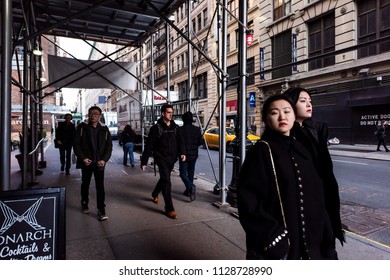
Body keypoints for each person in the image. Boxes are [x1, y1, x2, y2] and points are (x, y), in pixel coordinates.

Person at [238, 94, 339, 260]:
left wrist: (328, 241)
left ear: (294, 116)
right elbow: (249, 201)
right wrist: (275, 240)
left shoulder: (303, 150)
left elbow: (319, 198)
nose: (282, 117)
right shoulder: (261, 151)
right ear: (265, 119)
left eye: (287, 111)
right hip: (282, 250)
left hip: (314, 247)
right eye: (274, 113)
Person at [283, 87, 345, 247]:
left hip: (322, 202)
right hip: (298, 206)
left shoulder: (316, 131)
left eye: (310, 101)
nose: (309, 104)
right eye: (303, 101)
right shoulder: (284, 135)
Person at [141, 104, 186, 219]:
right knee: (167, 182)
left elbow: (181, 142)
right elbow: (149, 145)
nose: (171, 114)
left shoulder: (175, 127)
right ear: (163, 113)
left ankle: (155, 193)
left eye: (171, 112)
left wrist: (183, 153)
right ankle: (169, 208)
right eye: (168, 112)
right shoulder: (156, 128)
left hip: (172, 159)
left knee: (164, 179)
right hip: (161, 159)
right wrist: (144, 161)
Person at [73, 106, 113, 221]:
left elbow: (109, 147)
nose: (93, 115)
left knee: (100, 186)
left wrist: (104, 160)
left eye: (95, 114)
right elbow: (76, 145)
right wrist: (83, 158)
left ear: (99, 116)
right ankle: (84, 202)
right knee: (85, 184)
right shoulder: (81, 128)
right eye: (91, 113)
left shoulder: (104, 129)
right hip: (87, 163)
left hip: (99, 163)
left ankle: (101, 210)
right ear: (88, 115)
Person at [178, 111, 202, 201]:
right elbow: (200, 143)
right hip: (194, 155)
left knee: (183, 173)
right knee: (191, 172)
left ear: (183, 120)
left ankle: (190, 187)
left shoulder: (180, 130)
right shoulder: (197, 129)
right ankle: (188, 191)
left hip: (183, 155)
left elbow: (178, 143)